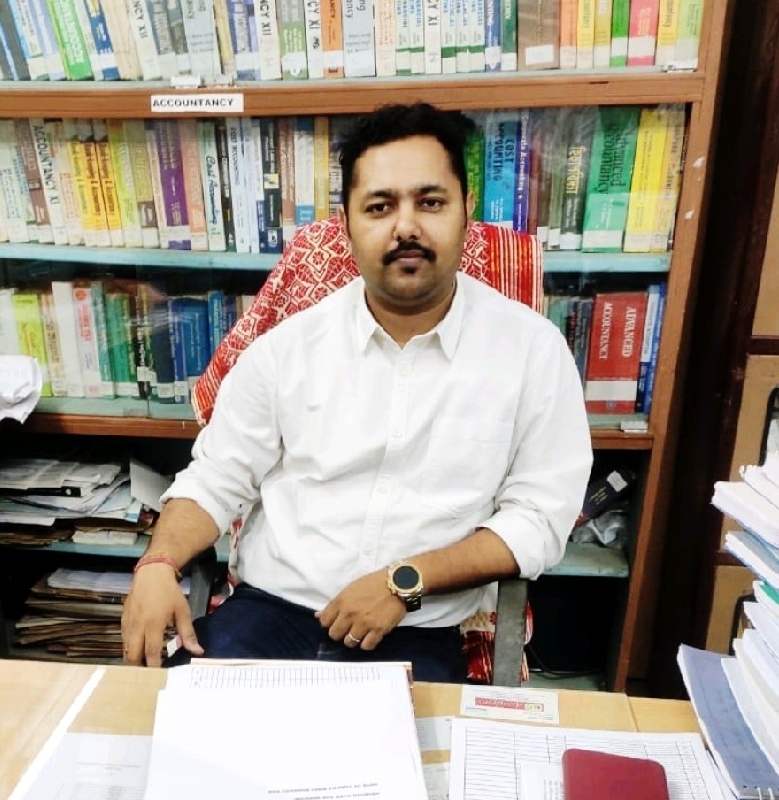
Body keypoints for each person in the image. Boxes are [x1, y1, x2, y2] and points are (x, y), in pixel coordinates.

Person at [121, 102, 593, 682]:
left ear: (466, 211)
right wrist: (158, 562)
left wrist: (405, 583)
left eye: (430, 202)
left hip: (416, 628)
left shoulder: (531, 351)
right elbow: (216, 479)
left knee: (397, 746)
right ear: (346, 225)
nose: (406, 227)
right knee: (170, 733)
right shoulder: (287, 348)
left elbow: (539, 519)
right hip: (269, 615)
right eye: (379, 207)